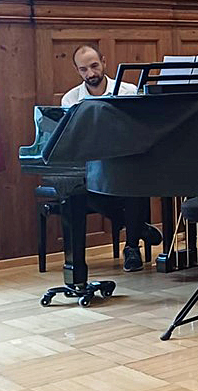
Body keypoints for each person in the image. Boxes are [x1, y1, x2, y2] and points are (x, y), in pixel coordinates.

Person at [60, 44, 162, 271]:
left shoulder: (127, 91)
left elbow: (140, 127)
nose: (91, 73)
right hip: (92, 165)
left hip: (126, 161)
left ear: (104, 62)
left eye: (94, 66)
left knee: (132, 184)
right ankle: (139, 227)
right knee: (81, 190)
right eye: (84, 69)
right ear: (77, 70)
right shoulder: (70, 99)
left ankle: (132, 248)